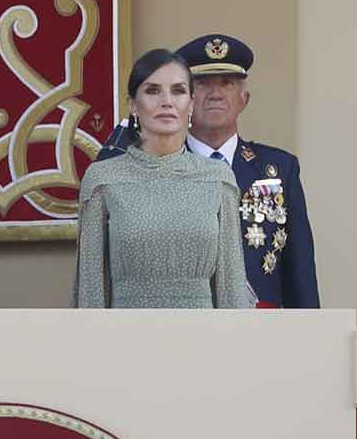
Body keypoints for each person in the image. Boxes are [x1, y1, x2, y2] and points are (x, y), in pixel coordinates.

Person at [94, 34, 320, 308]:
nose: (215, 94)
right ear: (188, 99)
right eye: (202, 83)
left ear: (244, 98)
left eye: (227, 83)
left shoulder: (279, 169)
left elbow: (300, 273)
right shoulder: (150, 166)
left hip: (261, 333)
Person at [73, 49, 251, 308]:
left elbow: (231, 286)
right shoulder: (103, 179)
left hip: (202, 337)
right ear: (133, 105)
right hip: (126, 335)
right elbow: (90, 288)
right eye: (153, 91)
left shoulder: (218, 178)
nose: (166, 101)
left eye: (178, 91)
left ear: (191, 104)